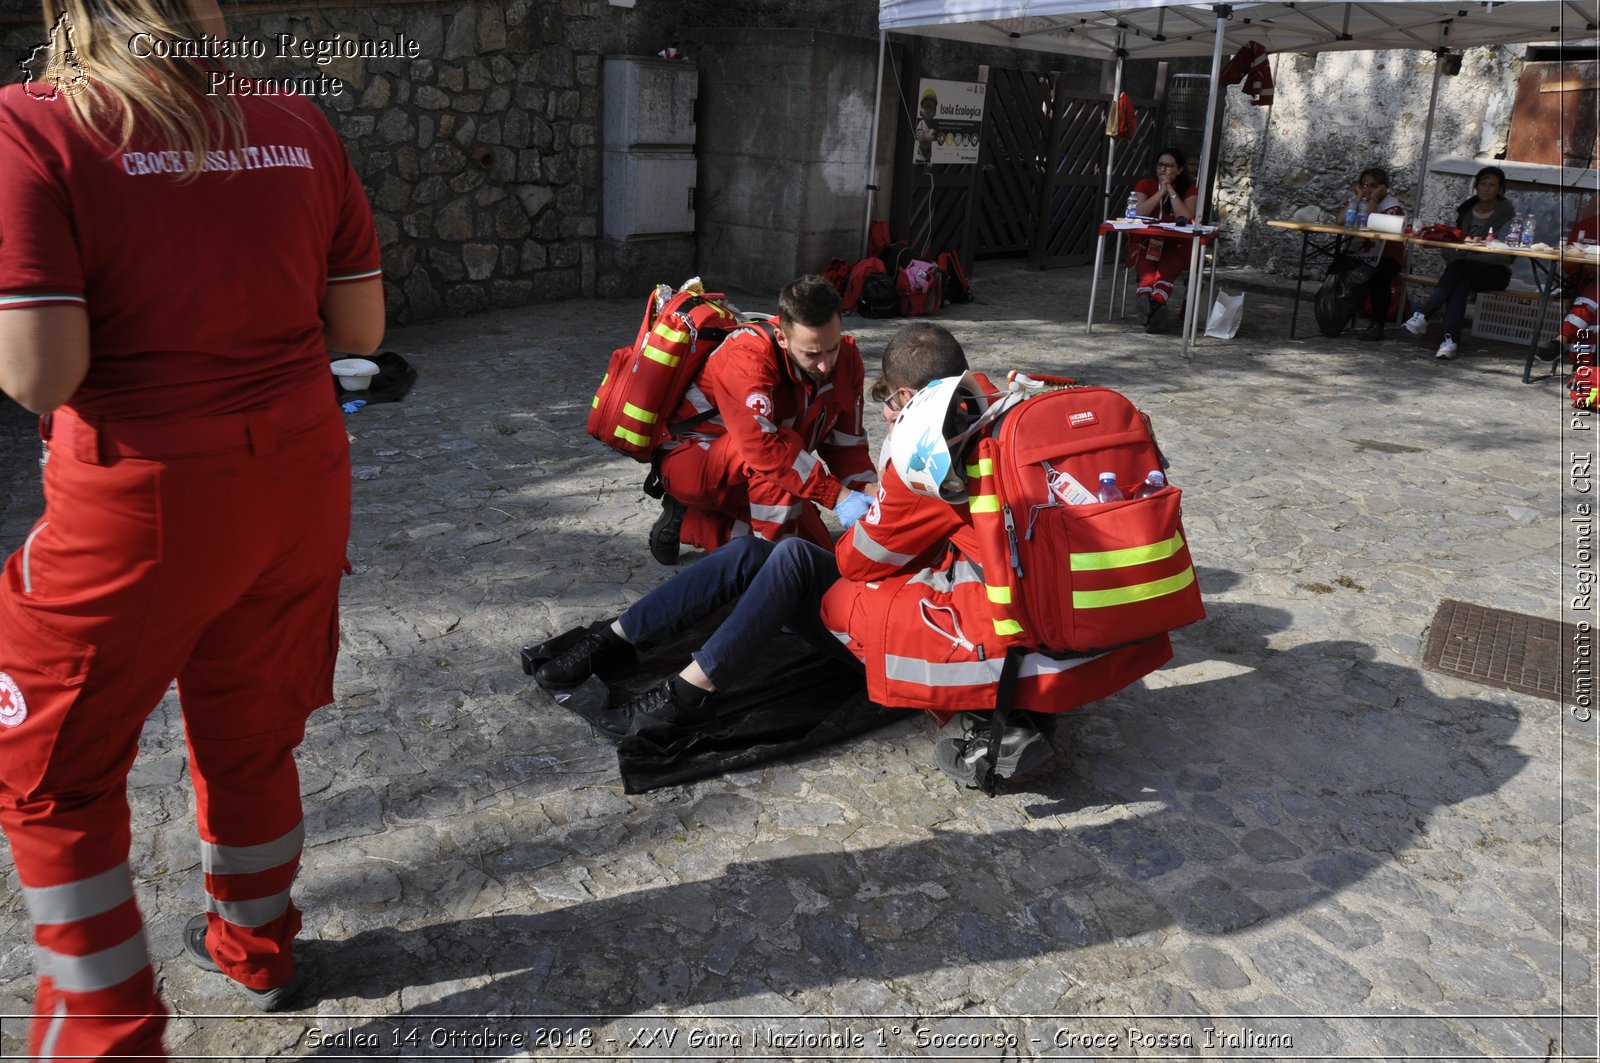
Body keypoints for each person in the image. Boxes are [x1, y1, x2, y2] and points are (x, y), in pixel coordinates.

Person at [0, 0, 383, 1056]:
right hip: (302, 479)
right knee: (251, 728)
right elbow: (359, 331)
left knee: (50, 773)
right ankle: (258, 941)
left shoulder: (31, 124)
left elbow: (41, 373)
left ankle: (103, 1033)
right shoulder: (297, 122)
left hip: (142, 499)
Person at [648, 274, 875, 565]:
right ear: (782, 337)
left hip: (773, 470)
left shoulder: (847, 358)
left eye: (831, 349)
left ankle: (723, 529)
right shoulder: (747, 356)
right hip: (693, 459)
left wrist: (872, 496)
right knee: (790, 561)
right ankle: (746, 552)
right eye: (811, 354)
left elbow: (847, 445)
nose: (825, 364)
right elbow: (763, 448)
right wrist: (838, 496)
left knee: (822, 559)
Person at [1402, 166, 1517, 360]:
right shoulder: (1465, 210)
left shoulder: (1507, 215)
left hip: (1495, 273)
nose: (1486, 188)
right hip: (1462, 269)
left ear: (1500, 189)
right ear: (1476, 186)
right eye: (1483, 183)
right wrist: (1454, 256)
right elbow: (1449, 242)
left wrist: (1466, 257)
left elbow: (1505, 256)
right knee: (1461, 280)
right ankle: (1450, 341)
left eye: (1492, 185)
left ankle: (1424, 314)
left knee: (1461, 267)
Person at [1127, 147, 1200, 332]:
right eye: (1160, 165)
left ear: (1180, 169)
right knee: (1146, 272)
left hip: (1177, 243)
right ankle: (1152, 305)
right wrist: (1160, 192)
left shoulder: (1190, 190)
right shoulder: (1145, 184)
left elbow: (1185, 215)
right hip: (1150, 240)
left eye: (1169, 166)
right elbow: (1139, 212)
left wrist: (1171, 191)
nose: (1163, 169)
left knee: (1167, 269)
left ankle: (1152, 306)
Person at [1349, 167, 1407, 342]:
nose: (1367, 189)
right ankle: (1336, 313)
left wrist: (1373, 199)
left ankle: (1377, 325)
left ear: (1383, 187)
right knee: (1340, 263)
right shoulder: (1360, 200)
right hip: (1364, 253)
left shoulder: (1393, 208)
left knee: (1379, 273)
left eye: (1373, 186)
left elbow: (1369, 221)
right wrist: (1358, 199)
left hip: (1388, 256)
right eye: (1364, 185)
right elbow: (1341, 220)